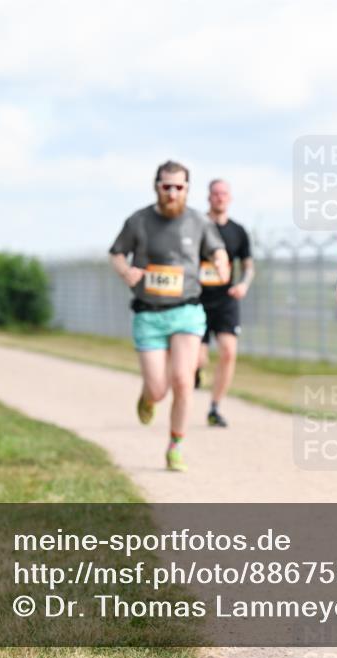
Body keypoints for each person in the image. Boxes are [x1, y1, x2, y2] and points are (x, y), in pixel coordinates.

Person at [109, 160, 229, 472]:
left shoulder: (199, 221)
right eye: (167, 186)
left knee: (183, 380)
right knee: (159, 389)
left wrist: (222, 263)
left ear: (187, 190)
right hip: (148, 314)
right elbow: (116, 253)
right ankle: (148, 397)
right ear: (157, 186)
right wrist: (126, 271)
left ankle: (176, 445)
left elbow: (217, 249)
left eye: (179, 187)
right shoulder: (138, 220)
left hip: (186, 311)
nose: (172, 192)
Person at [195, 179, 254, 427]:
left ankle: (215, 407)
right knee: (197, 359)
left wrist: (243, 284)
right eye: (215, 193)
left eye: (224, 194)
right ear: (209, 197)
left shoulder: (238, 231)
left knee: (229, 352)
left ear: (229, 198)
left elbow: (249, 266)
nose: (219, 197)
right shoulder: (197, 227)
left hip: (226, 299)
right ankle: (196, 370)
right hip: (196, 299)